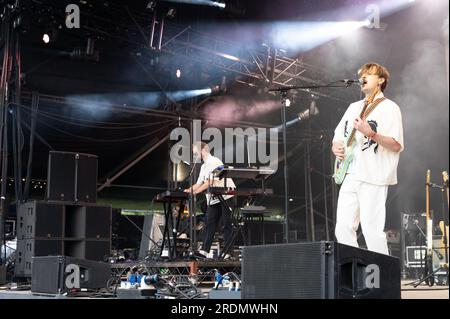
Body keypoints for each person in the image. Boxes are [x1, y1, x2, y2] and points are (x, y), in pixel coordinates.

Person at [332, 62, 404, 255]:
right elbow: (338, 135)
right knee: (343, 227)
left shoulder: (390, 108)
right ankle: (353, 272)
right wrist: (336, 147)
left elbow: (396, 145)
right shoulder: (353, 107)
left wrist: (371, 133)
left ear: (381, 80)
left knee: (372, 230)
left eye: (369, 74)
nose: (363, 77)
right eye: (361, 74)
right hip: (350, 173)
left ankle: (381, 279)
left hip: (374, 175)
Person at [184, 142, 236, 258]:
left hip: (226, 194)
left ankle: (228, 252)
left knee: (226, 223)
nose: (194, 155)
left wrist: (195, 192)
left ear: (202, 150)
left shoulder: (214, 161)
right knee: (209, 223)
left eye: (195, 152)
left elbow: (210, 181)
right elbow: (199, 183)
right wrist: (188, 190)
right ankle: (204, 251)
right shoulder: (203, 166)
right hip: (214, 198)